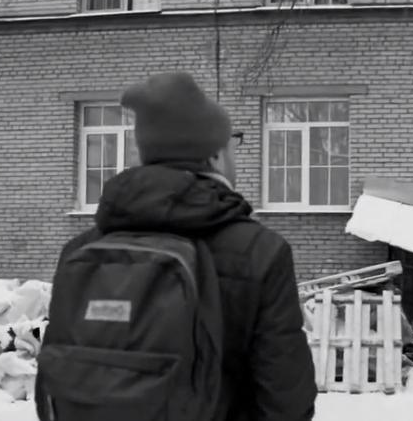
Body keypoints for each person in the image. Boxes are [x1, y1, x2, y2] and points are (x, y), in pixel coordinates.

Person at [35, 72, 317, 421]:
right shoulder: (260, 252)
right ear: (214, 155)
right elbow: (286, 400)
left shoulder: (80, 250)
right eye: (234, 143)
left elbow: (53, 384)